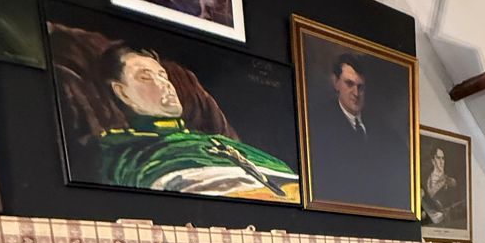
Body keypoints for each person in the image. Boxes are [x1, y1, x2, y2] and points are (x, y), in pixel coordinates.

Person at [98, 44, 300, 202]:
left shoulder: (215, 141)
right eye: (145, 77)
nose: (165, 84)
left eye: (163, 75)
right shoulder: (125, 151)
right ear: (122, 92)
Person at [306, 53, 410, 210]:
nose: (356, 93)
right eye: (349, 84)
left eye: (360, 87)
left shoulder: (382, 128)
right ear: (336, 83)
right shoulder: (317, 123)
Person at [421, 144, 462, 227]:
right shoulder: (424, 178)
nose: (441, 161)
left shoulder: (451, 181)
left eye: (443, 158)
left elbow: (458, 205)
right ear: (433, 160)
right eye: (438, 158)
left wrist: (444, 214)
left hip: (445, 225)